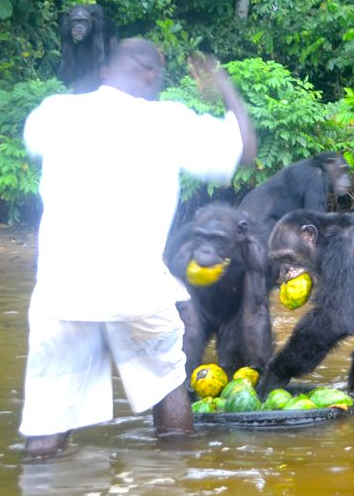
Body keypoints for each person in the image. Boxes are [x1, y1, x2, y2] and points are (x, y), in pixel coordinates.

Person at [19, 38, 257, 459]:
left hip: (61, 290)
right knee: (169, 389)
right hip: (136, 288)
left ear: (106, 71)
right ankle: (168, 490)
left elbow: (35, 139)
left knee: (47, 424)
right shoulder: (167, 120)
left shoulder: (56, 111)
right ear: (154, 76)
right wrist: (223, 86)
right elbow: (245, 153)